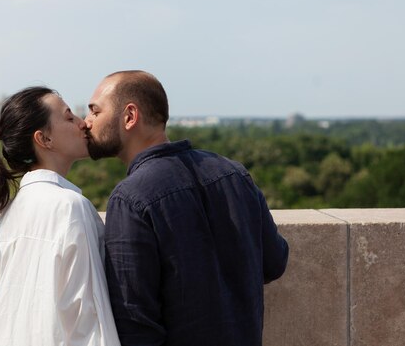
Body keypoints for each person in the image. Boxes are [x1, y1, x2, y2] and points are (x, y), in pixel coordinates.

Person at [84, 71, 289, 346]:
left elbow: (134, 323)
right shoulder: (233, 173)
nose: (86, 123)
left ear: (130, 116)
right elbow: (275, 262)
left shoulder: (130, 197)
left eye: (95, 112)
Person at [0, 86, 120, 346]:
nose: (83, 123)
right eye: (68, 117)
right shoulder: (70, 207)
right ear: (44, 139)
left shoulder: (9, 213)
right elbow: (90, 315)